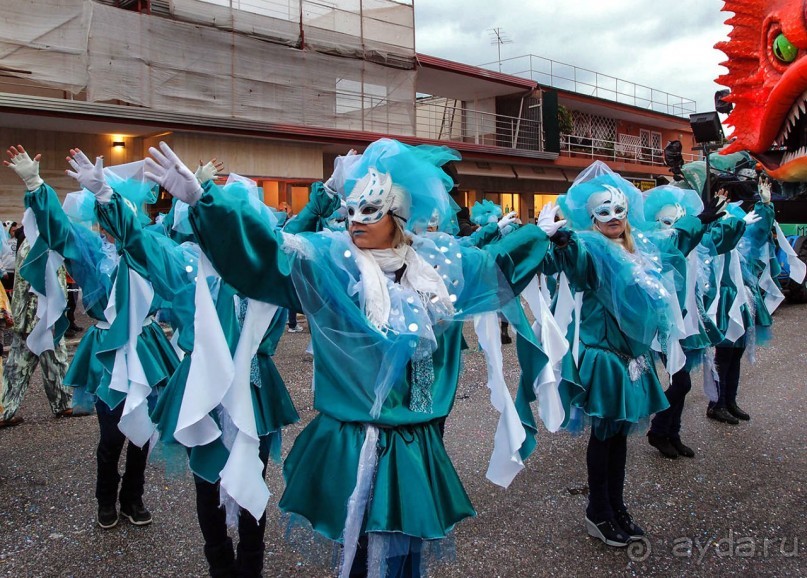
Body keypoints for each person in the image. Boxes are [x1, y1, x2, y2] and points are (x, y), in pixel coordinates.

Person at [146, 138, 559, 577]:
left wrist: (538, 235)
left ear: (398, 217)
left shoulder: (436, 268)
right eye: (352, 209)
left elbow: (493, 264)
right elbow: (272, 254)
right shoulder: (333, 264)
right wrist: (205, 202)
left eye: (370, 210)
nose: (355, 219)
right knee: (359, 556)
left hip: (416, 443)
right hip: (352, 443)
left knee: (407, 559)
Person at [547, 161, 699, 548]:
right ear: (592, 217)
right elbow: (576, 267)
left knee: (620, 438)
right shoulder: (591, 246)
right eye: (604, 211)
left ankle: (616, 506)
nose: (613, 217)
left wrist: (704, 219)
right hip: (605, 358)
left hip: (634, 357)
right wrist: (563, 244)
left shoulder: (641, 245)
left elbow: (678, 243)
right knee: (604, 436)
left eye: (618, 210)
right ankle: (598, 511)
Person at [0, 185, 72, 426]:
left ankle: (4, 409)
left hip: (30, 316)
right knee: (52, 360)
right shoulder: (39, 244)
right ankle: (63, 405)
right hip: (40, 317)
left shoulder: (31, 241)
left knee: (19, 367)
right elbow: (40, 285)